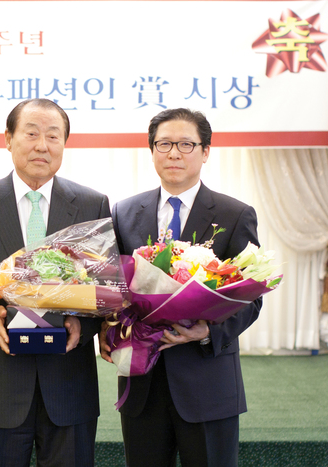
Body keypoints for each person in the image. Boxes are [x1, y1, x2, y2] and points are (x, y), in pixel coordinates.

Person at [0, 98, 110, 467]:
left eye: (53, 136)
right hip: (1, 385)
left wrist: (83, 324)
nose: (42, 146)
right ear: (8, 139)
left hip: (70, 384)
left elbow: (107, 285)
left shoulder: (93, 204)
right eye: (31, 134)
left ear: (64, 143)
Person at [100, 108, 262, 467]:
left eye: (186, 144)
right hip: (142, 385)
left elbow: (250, 298)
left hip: (207, 382)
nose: (174, 153)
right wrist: (108, 327)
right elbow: (114, 287)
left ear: (205, 152)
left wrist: (207, 332)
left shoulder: (235, 214)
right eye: (164, 144)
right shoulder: (124, 212)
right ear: (152, 151)